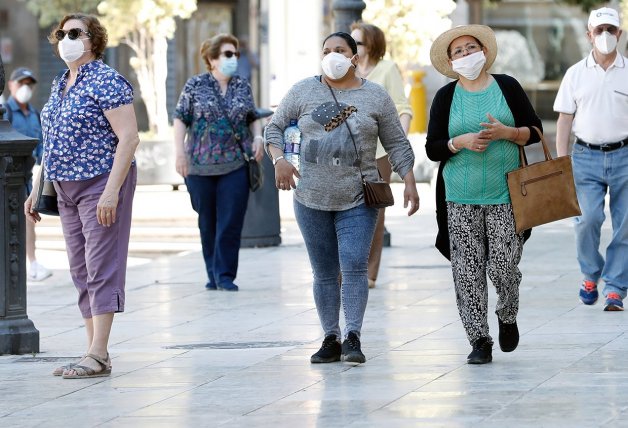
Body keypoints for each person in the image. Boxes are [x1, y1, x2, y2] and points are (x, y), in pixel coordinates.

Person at [265, 32, 420, 364]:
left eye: (340, 50)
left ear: (354, 57)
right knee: (323, 271)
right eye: (326, 50)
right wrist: (279, 160)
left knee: (353, 265)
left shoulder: (375, 95)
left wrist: (409, 181)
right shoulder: (303, 90)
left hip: (358, 196)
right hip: (310, 197)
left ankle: (353, 336)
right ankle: (330, 337)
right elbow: (274, 128)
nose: (332, 55)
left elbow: (395, 142)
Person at [24, 13, 139, 378]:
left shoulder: (106, 80)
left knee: (101, 266)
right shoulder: (61, 82)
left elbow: (129, 138)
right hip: (64, 188)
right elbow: (53, 141)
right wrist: (38, 187)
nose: (66, 39)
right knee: (79, 269)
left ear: (94, 40)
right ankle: (94, 354)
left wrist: (110, 194)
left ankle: (98, 351)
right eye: (62, 33)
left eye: (75, 33)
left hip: (100, 182)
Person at [426, 25, 542, 364]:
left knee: (504, 266)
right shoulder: (446, 97)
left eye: (470, 47)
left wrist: (509, 133)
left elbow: (534, 131)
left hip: (505, 193)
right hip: (458, 196)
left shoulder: (506, 86)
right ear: (450, 61)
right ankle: (479, 339)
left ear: (484, 51)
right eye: (458, 51)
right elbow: (433, 148)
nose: (465, 54)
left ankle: (507, 314)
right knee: (467, 269)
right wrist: (458, 142)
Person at [173, 33, 264, 292]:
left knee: (231, 221)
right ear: (212, 59)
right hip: (199, 166)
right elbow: (180, 119)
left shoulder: (242, 85)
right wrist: (179, 153)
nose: (233, 58)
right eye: (227, 54)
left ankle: (225, 275)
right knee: (207, 222)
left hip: (235, 164)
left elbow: (252, 116)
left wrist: (257, 137)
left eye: (235, 54)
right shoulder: (195, 85)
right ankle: (212, 272)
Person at [554, 7, 628, 312]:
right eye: (599, 31)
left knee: (626, 225)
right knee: (587, 220)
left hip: (625, 155)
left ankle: (615, 287)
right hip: (585, 156)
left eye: (611, 30)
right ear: (589, 35)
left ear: (620, 34)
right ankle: (590, 273)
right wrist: (561, 162)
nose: (605, 36)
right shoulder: (575, 74)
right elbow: (564, 120)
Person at [350, 21, 413, 289]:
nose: (353, 48)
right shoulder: (347, 70)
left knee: (374, 213)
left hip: (378, 153)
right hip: (347, 153)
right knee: (347, 209)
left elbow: (403, 107)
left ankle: (369, 273)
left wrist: (397, 145)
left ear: (372, 44)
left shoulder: (387, 70)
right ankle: (348, 269)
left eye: (359, 43)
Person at [5, 67, 52, 282]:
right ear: (11, 85)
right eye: (21, 83)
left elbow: (42, 143)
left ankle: (32, 262)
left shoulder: (34, 114)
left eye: (29, 84)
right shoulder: (5, 111)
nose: (25, 88)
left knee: (29, 217)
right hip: (8, 175)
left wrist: (41, 164)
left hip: (29, 175)